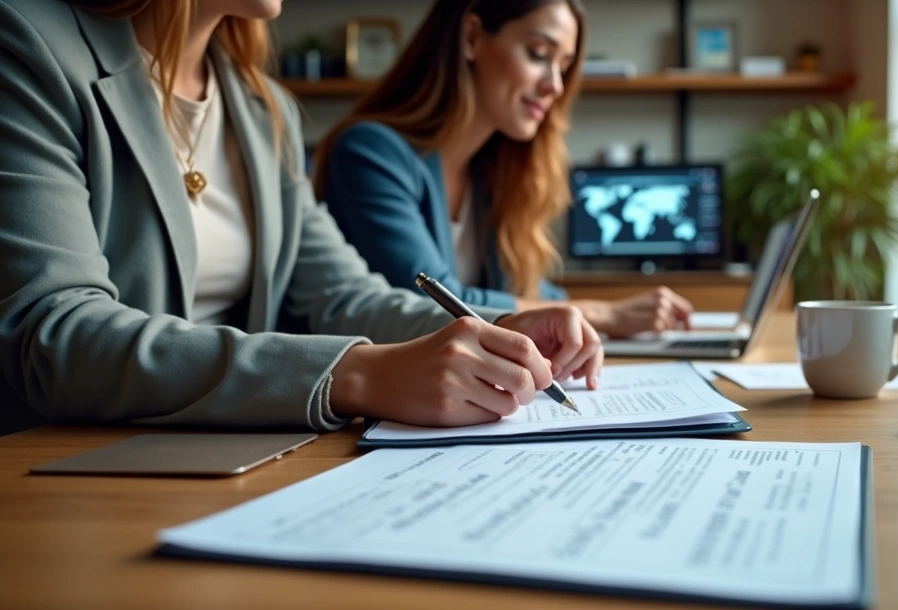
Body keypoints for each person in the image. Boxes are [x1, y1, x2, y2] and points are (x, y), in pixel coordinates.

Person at [0, 0, 603, 437]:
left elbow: (341, 295)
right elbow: (55, 337)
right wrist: (352, 374)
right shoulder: (29, 41)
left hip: (232, 453)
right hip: (60, 466)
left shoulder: (264, 109)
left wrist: (502, 325)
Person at [313, 0, 694, 339]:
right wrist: (604, 313)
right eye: (538, 53)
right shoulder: (370, 152)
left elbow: (533, 294)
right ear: (472, 37)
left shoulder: (494, 170)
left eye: (564, 66)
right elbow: (436, 302)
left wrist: (621, 314)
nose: (555, 87)